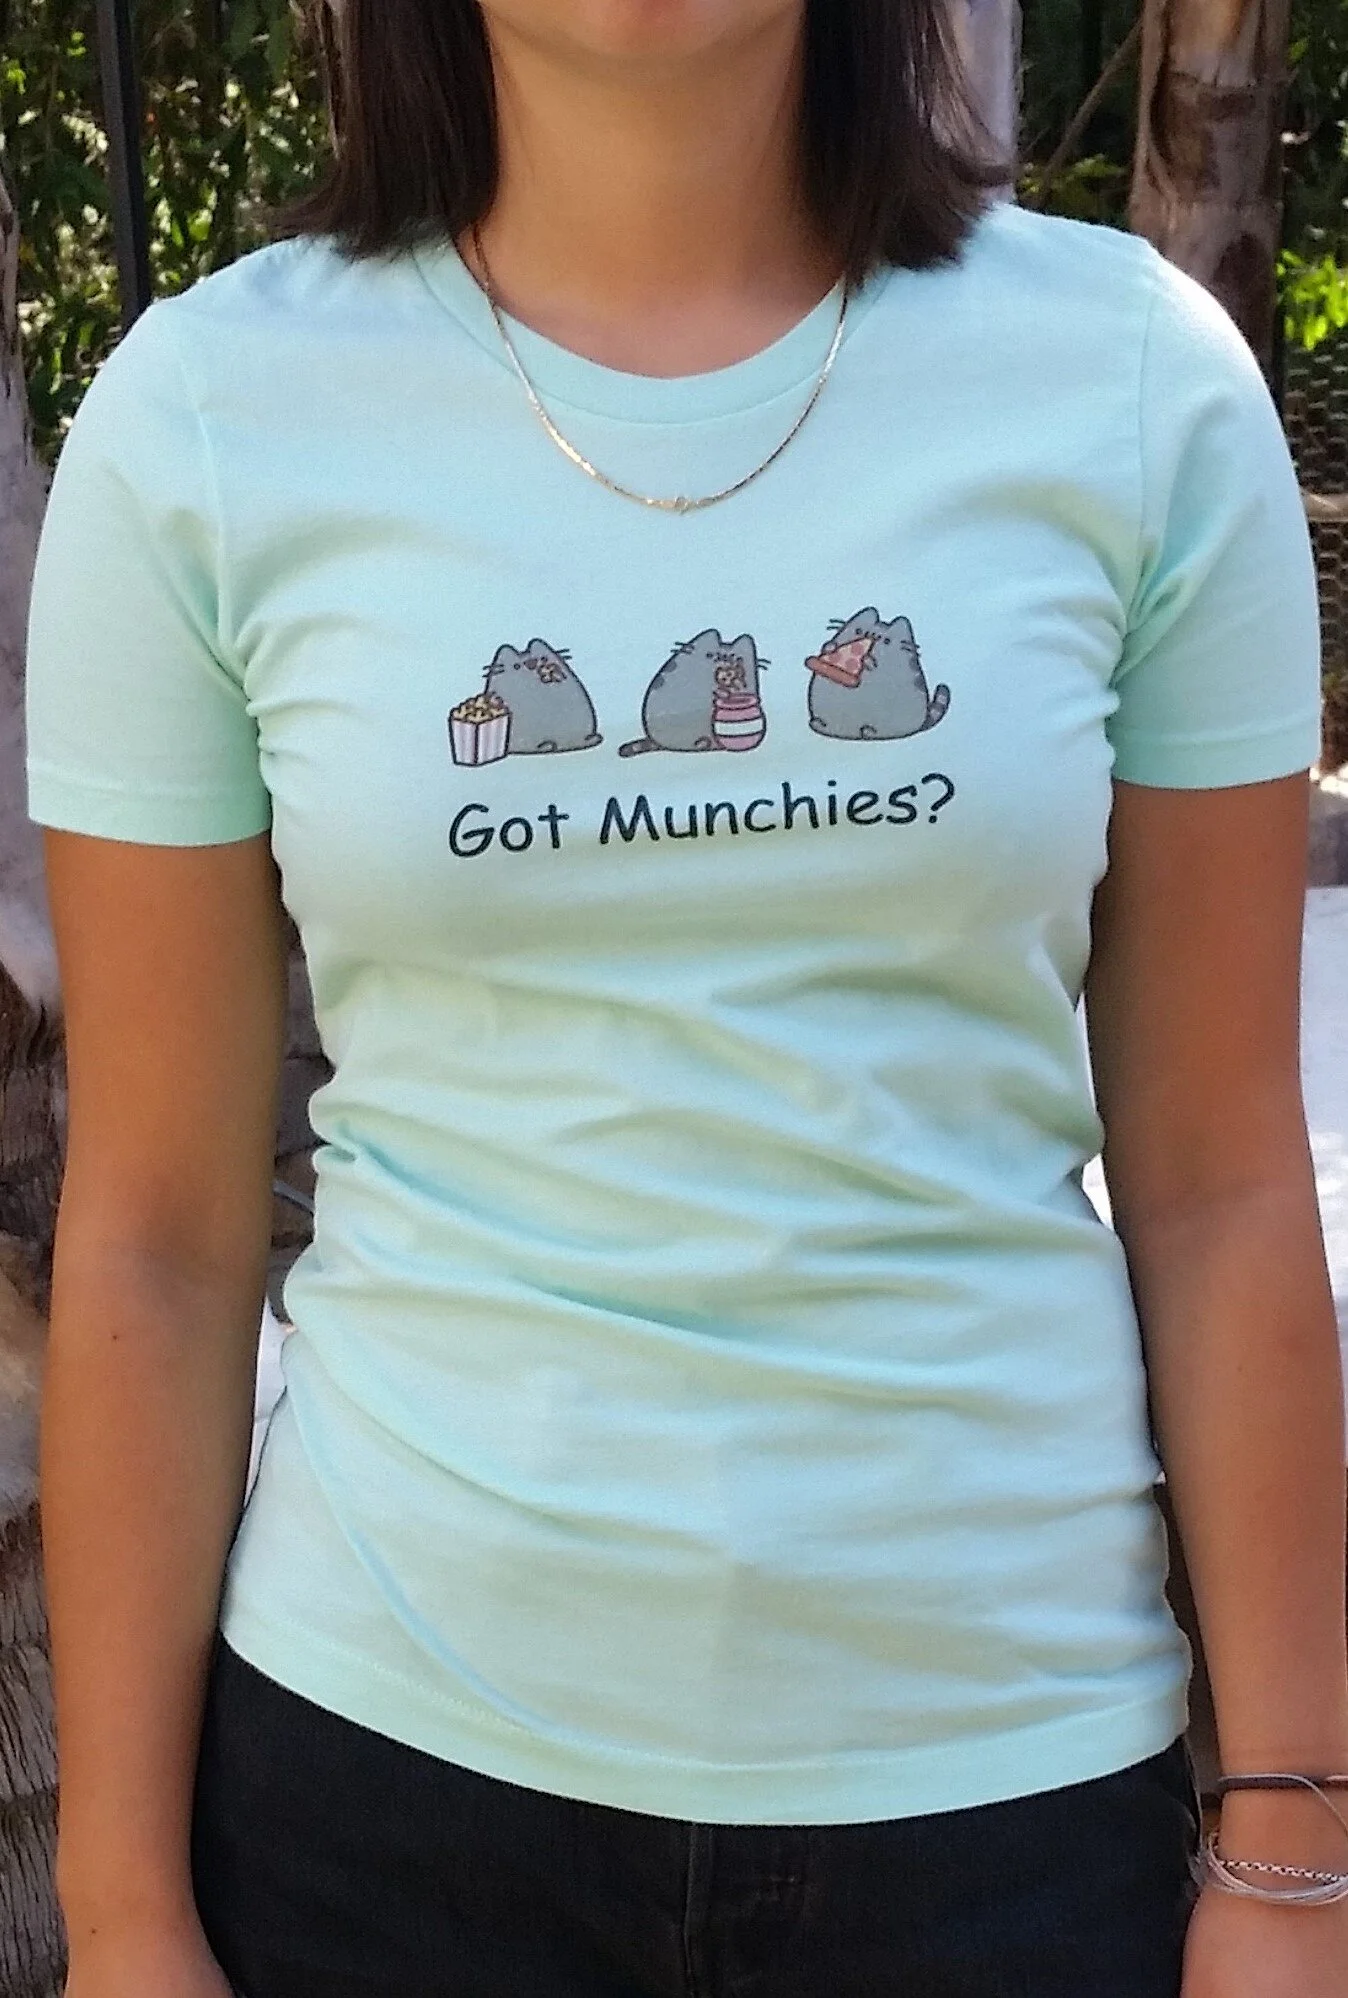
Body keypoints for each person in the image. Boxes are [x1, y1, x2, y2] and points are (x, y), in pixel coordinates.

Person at [24, 3, 1348, 1994]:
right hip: (384, 1803)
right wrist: (124, 1914)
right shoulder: (205, 421)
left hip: (1010, 1804)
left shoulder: (1135, 386)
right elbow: (156, 1232)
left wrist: (1293, 1843)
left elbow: (1224, 1179)